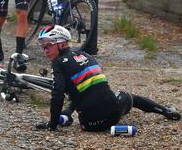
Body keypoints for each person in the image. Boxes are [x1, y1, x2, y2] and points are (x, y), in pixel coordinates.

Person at [35, 25, 181, 131]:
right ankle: (166, 111)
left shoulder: (58, 64)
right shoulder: (85, 56)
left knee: (81, 98)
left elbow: (57, 96)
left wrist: (52, 124)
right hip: (114, 114)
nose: (45, 50)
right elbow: (90, 90)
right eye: (43, 46)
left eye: (48, 45)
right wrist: (68, 110)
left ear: (61, 44)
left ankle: (65, 118)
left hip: (89, 124)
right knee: (129, 96)